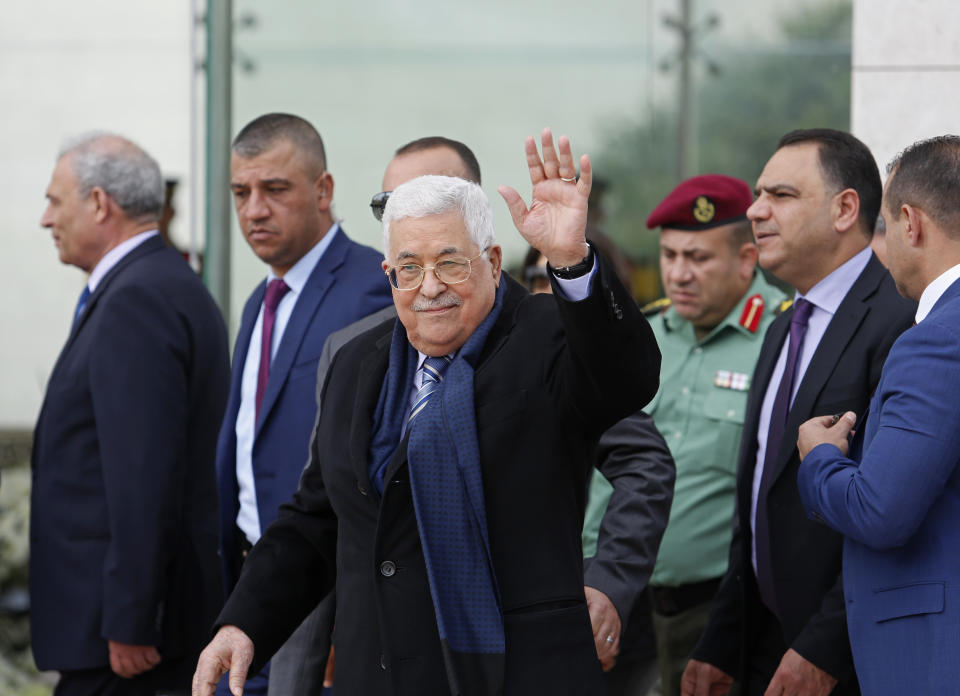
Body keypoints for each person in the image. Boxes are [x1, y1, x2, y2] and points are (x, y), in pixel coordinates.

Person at [193, 129, 661, 696]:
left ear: (491, 260)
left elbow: (624, 381)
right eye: (408, 269)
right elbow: (317, 518)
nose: (429, 287)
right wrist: (244, 622)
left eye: (450, 263)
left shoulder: (546, 337)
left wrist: (571, 262)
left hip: (518, 673)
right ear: (388, 275)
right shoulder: (355, 363)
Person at [682, 129, 915, 696]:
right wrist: (723, 641)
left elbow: (898, 514)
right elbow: (761, 499)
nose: (756, 211)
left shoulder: (900, 324)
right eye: (759, 195)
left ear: (845, 209)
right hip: (763, 645)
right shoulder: (785, 325)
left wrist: (822, 649)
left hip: (844, 661)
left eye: (781, 196)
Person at [267, 135, 483, 696]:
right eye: (388, 205)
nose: (403, 218)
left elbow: (629, 451)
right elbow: (325, 514)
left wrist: (601, 581)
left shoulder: (534, 339)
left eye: (425, 200)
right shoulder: (353, 351)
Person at [32, 132, 230, 695]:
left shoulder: (137, 298)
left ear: (99, 204)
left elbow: (143, 476)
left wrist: (132, 618)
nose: (47, 219)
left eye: (55, 201)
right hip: (124, 636)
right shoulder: (157, 282)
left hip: (125, 647)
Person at [214, 113, 393, 695]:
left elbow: (379, 460)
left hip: (320, 597)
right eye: (241, 192)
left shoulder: (372, 285)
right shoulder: (260, 302)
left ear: (324, 191)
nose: (254, 210)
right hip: (251, 581)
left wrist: (349, 618)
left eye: (275, 190)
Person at [796, 134, 960, 696]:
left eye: (884, 227)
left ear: (911, 224)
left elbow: (880, 510)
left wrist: (818, 459)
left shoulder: (936, 342)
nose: (880, 246)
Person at [616, 175, 785, 696]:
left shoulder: (786, 335)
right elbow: (608, 474)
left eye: (698, 257)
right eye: (669, 256)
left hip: (724, 612)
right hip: (627, 605)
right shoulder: (641, 335)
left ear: (746, 259)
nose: (678, 274)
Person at [523, 246, 676, 691]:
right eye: (535, 272)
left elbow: (644, 462)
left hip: (560, 621)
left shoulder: (552, 362)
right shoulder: (371, 356)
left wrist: (608, 580)